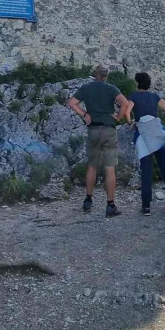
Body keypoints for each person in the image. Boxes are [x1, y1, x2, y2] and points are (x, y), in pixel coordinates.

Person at [67, 65, 129, 217]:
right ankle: (110, 205)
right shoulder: (111, 88)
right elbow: (125, 103)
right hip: (108, 129)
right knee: (110, 167)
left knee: (92, 165)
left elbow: (72, 103)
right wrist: (119, 117)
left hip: (93, 129)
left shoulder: (86, 88)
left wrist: (84, 114)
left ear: (95, 75)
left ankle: (88, 200)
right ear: (106, 76)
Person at [128, 72, 165, 215]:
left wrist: (131, 122)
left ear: (137, 83)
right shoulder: (155, 97)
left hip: (143, 136)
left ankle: (146, 207)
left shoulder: (134, 96)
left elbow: (126, 111)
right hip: (158, 133)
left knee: (146, 171)